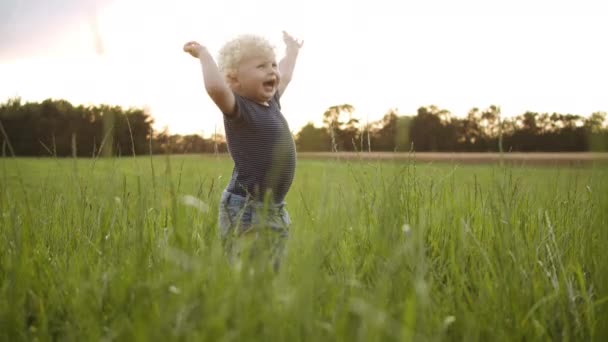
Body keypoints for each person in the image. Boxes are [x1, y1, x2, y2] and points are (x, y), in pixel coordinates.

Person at [183, 31, 303, 270]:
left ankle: (267, 305)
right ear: (235, 80)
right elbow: (216, 88)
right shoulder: (239, 110)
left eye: (272, 64)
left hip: (275, 208)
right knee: (248, 273)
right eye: (261, 66)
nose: (272, 71)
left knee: (273, 270)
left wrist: (292, 51)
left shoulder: (272, 103)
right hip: (245, 208)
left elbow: (286, 75)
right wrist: (204, 55)